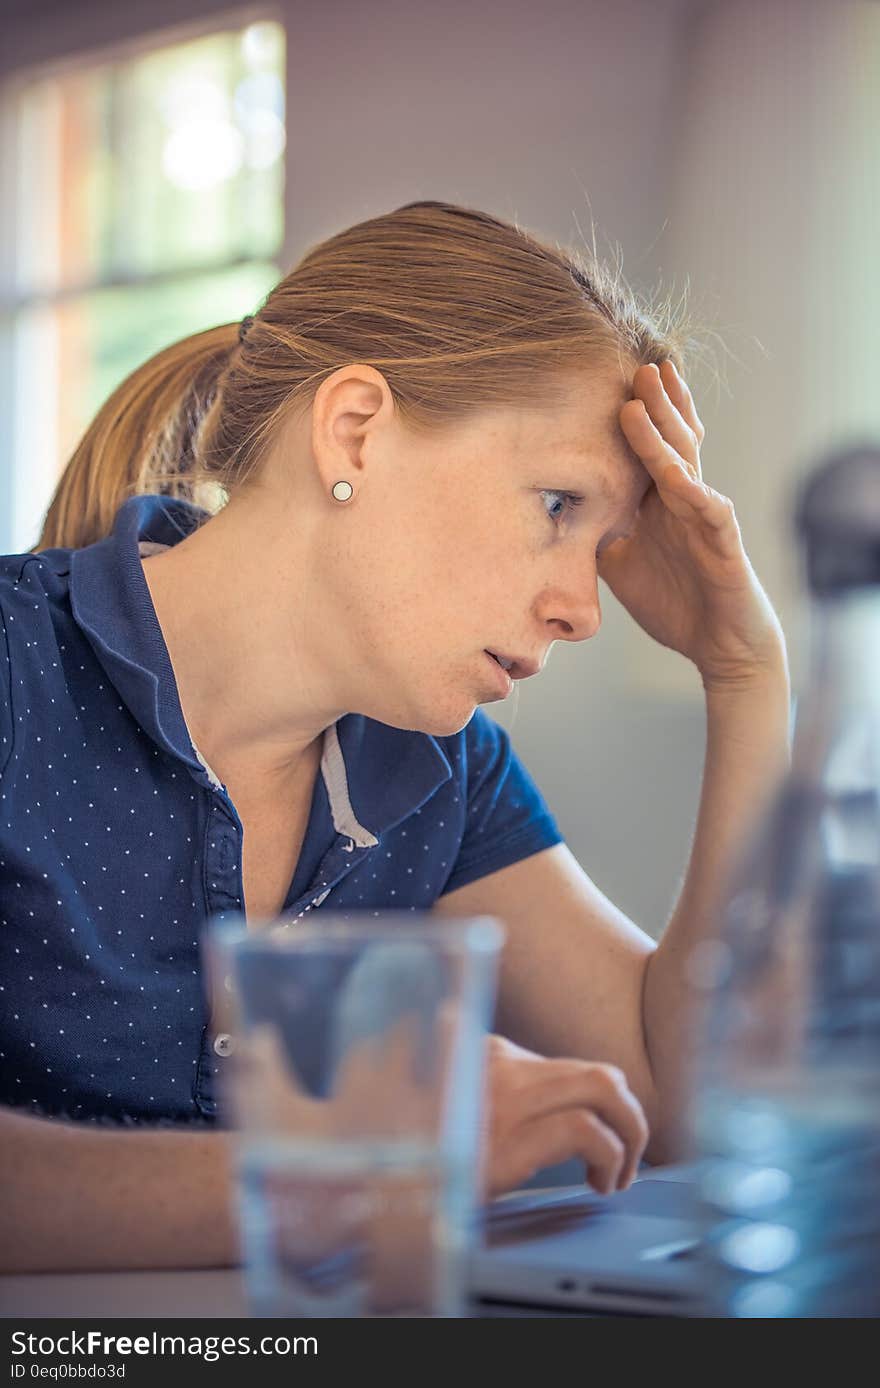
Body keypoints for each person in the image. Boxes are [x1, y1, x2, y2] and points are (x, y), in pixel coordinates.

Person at [0, 200, 790, 1273]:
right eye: (557, 502)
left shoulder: (438, 769)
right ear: (354, 429)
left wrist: (745, 674)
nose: (583, 608)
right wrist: (363, 1169)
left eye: (602, 544)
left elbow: (683, 1099)